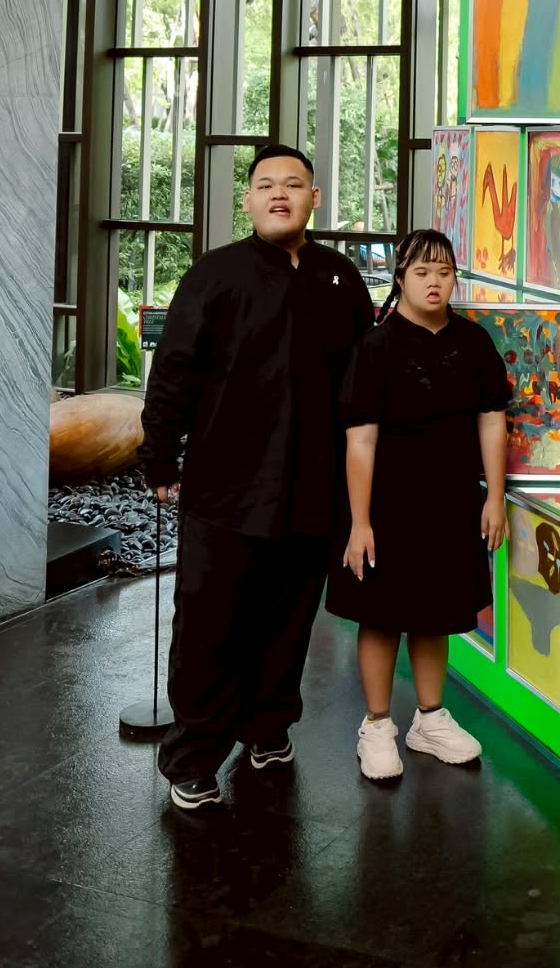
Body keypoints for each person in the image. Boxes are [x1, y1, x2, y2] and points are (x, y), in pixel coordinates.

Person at [140, 145, 374, 811]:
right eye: (265, 184)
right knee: (209, 627)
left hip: (312, 487)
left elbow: (364, 381)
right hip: (226, 488)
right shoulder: (215, 275)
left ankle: (268, 729)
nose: (279, 194)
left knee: (288, 621)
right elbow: (174, 371)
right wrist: (160, 457)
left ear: (314, 198)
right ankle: (192, 758)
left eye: (293, 184)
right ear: (247, 200)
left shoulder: (339, 278)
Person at [328, 229, 509, 781]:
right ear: (401, 278)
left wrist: (495, 497)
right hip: (385, 505)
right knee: (381, 616)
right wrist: (359, 522)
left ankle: (429, 720)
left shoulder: (474, 342)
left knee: (436, 613)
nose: (435, 283)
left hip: (451, 503)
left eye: (444, 272)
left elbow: (492, 421)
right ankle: (377, 725)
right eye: (422, 272)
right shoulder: (376, 346)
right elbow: (360, 440)